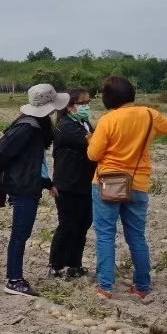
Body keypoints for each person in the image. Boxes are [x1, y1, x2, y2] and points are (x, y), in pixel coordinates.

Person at [87, 76, 167, 299]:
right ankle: (142, 286)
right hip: (138, 182)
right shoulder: (149, 114)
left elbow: (94, 154)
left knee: (105, 235)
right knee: (137, 236)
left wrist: (90, 140)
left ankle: (105, 286)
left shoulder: (108, 120)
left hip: (107, 183)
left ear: (108, 98)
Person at [0, 84, 65, 297]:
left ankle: (15, 277)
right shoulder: (26, 128)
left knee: (22, 232)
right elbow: (0, 154)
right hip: (22, 187)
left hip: (28, 183)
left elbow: (33, 162)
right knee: (20, 234)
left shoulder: (37, 126)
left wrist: (47, 183)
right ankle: (14, 280)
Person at [50, 87, 96, 278]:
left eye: (88, 103)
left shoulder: (84, 123)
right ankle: (56, 265)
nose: (86, 106)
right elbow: (93, 143)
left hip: (85, 183)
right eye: (82, 103)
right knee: (68, 225)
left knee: (83, 224)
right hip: (68, 184)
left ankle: (74, 264)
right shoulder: (66, 127)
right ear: (69, 107)